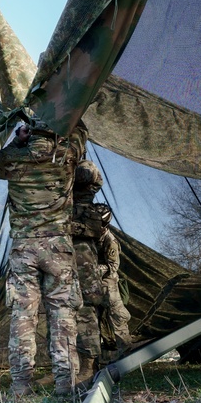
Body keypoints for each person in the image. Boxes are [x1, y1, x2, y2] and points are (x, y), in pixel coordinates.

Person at [0, 119, 85, 396]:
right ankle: (66, 384)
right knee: (63, 314)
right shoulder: (66, 155)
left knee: (23, 316)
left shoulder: (12, 160)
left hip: (24, 247)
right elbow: (81, 133)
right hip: (58, 247)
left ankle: (20, 385)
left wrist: (19, 141)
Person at [70, 159, 132, 384]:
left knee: (114, 316)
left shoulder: (109, 240)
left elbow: (113, 267)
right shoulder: (62, 197)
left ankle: (118, 355)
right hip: (79, 269)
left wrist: (99, 269)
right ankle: (76, 364)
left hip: (106, 281)